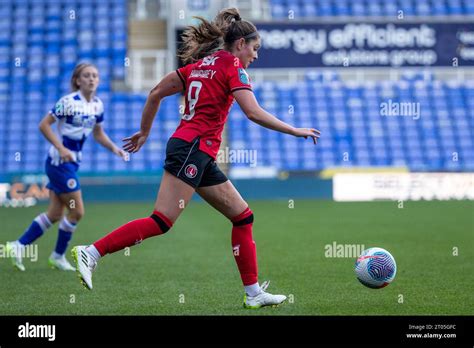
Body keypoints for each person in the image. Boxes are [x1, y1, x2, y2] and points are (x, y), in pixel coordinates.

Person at [72, 8, 320, 309]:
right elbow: (252, 112)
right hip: (193, 149)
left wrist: (144, 132)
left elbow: (154, 93)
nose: (255, 56)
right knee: (161, 220)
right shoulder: (233, 68)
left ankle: (253, 292)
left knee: (243, 217)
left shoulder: (199, 65)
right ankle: (92, 252)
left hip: (194, 150)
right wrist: (294, 129)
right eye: (255, 49)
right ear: (240, 43)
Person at [6, 63, 126, 271]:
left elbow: (98, 133)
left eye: (95, 76)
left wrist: (115, 149)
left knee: (54, 214)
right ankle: (57, 255)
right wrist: (61, 148)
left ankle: (20, 246)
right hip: (59, 163)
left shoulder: (97, 104)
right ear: (77, 80)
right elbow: (44, 124)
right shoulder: (68, 102)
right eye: (86, 75)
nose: (91, 79)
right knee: (77, 211)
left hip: (71, 163)